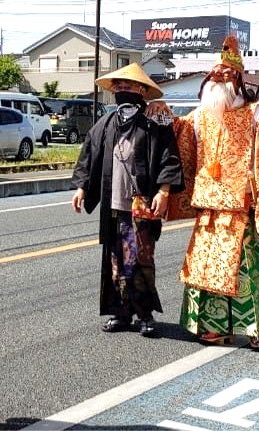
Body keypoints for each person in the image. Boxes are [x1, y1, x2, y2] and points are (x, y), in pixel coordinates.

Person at [171, 36, 259, 351]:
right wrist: (158, 115)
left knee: (250, 274)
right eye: (214, 74)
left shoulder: (254, 112)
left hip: (244, 207)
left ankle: (254, 328)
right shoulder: (199, 116)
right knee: (206, 271)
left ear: (238, 80)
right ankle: (213, 329)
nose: (218, 79)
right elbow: (176, 140)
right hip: (210, 209)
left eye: (226, 74)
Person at [71, 64, 184, 337]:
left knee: (141, 260)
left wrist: (164, 191)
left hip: (140, 205)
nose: (123, 90)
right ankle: (121, 312)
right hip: (113, 205)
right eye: (119, 87)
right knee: (115, 261)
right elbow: (90, 155)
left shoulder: (155, 121)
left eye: (129, 86)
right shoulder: (106, 124)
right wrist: (82, 188)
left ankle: (145, 315)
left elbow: (169, 157)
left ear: (142, 91)